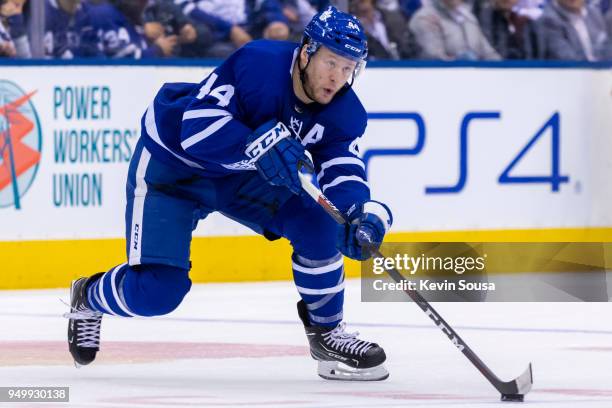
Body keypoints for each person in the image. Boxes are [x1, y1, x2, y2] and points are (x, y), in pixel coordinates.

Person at [64, 6, 393, 381]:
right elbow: (195, 129)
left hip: (240, 175)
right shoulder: (260, 64)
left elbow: (342, 170)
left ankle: (327, 334)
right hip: (173, 169)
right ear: (306, 52)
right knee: (156, 293)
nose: (338, 78)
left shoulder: (344, 112)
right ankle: (88, 295)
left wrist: (358, 212)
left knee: (321, 223)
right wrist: (257, 143)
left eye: (349, 68)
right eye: (332, 63)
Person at [409, 0, 502, 60]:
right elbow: (434, 57)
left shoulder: (468, 17)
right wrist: (458, 62)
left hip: (474, 77)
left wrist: (502, 69)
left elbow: (488, 53)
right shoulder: (425, 17)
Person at [538, 0, 612, 61]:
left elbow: (606, 50)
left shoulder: (594, 13)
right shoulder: (549, 20)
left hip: (600, 74)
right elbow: (568, 61)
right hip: (570, 76)